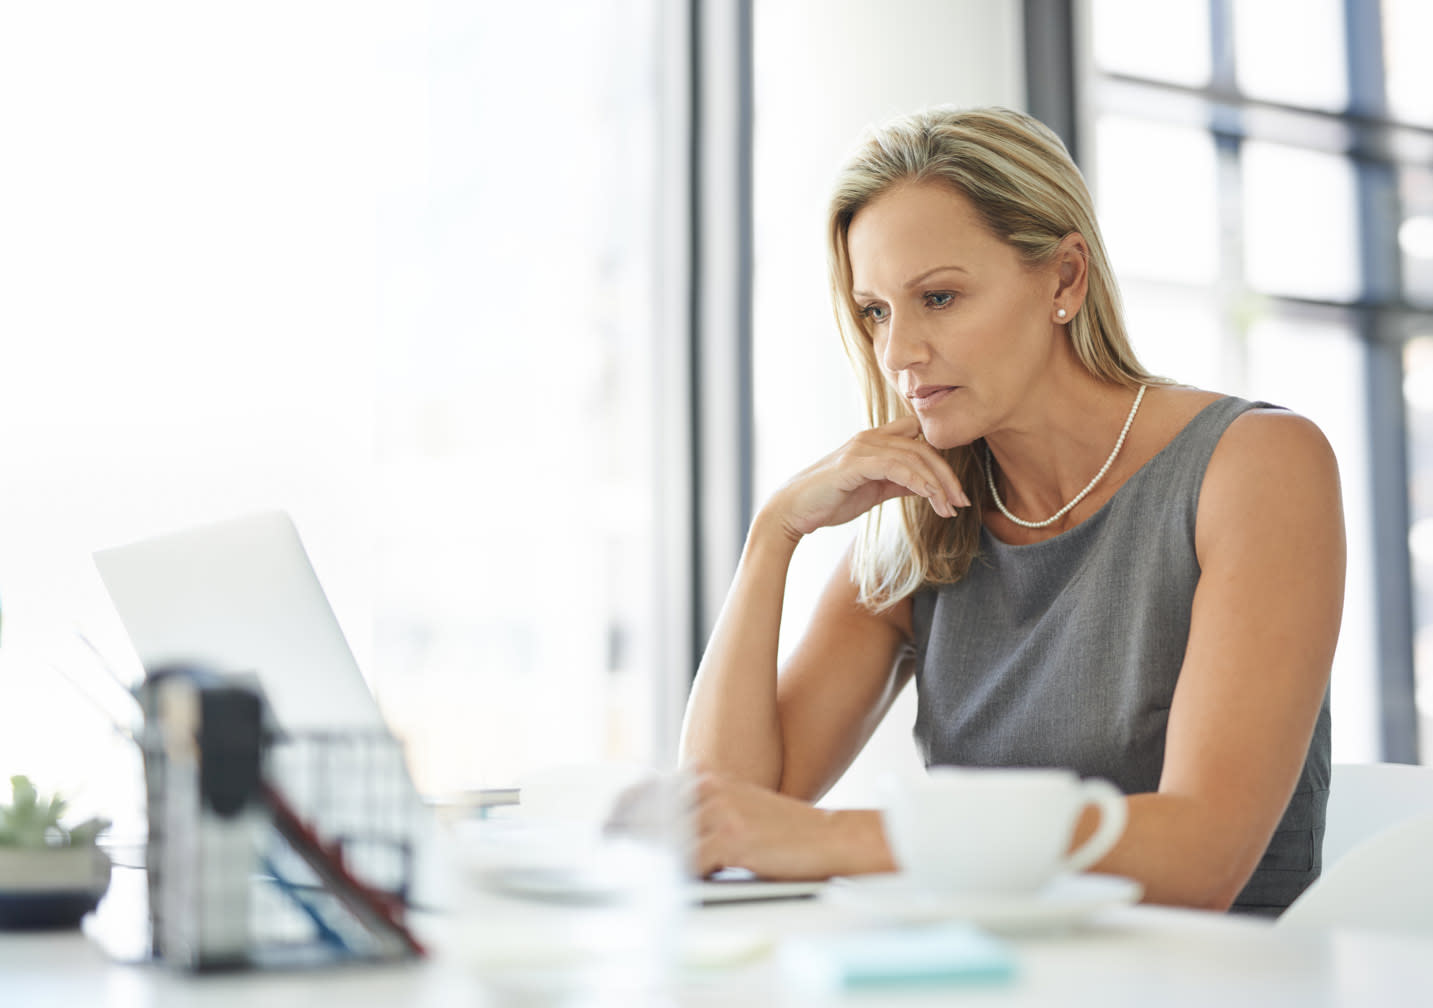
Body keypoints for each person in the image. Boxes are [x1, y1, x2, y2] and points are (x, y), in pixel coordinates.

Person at [676, 106, 1342, 915]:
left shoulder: (1257, 464)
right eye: (875, 311)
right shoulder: (921, 524)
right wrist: (772, 534)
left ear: (1063, 279)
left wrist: (840, 839)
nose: (897, 353)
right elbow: (722, 818)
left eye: (940, 297)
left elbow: (1199, 855)